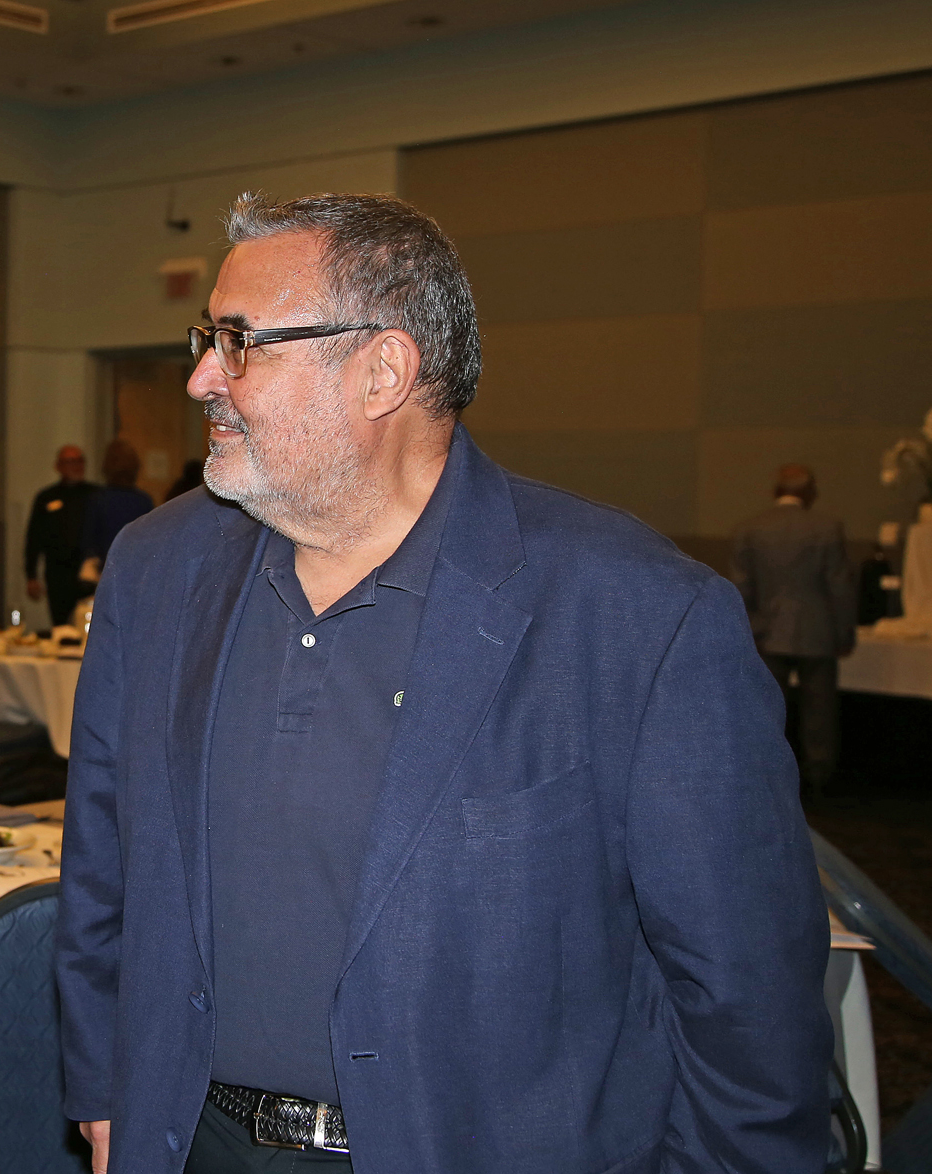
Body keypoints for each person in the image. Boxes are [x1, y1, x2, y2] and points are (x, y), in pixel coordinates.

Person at [55, 193, 829, 1174]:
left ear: (382, 370)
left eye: (242, 342)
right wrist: (105, 1084)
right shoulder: (156, 568)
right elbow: (102, 870)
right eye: (207, 336)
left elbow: (745, 995)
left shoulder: (638, 617)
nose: (204, 376)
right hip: (188, 1140)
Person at [730, 464, 856, 801]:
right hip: (818, 631)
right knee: (820, 711)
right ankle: (820, 779)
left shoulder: (750, 529)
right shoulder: (827, 528)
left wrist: (753, 628)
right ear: (810, 491)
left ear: (776, 491)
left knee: (768, 710)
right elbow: (839, 587)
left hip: (767, 632)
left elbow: (740, 588)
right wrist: (845, 633)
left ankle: (766, 780)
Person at [25, 445, 98, 629]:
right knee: (61, 628)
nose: (76, 466)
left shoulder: (96, 495)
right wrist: (31, 575)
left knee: (89, 627)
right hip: (58, 575)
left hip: (89, 576)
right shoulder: (46, 497)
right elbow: (34, 538)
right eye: (69, 461)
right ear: (58, 466)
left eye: (79, 461)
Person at [79, 439, 155, 581]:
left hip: (105, 571)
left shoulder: (97, 500)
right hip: (136, 571)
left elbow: (88, 541)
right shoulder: (144, 501)